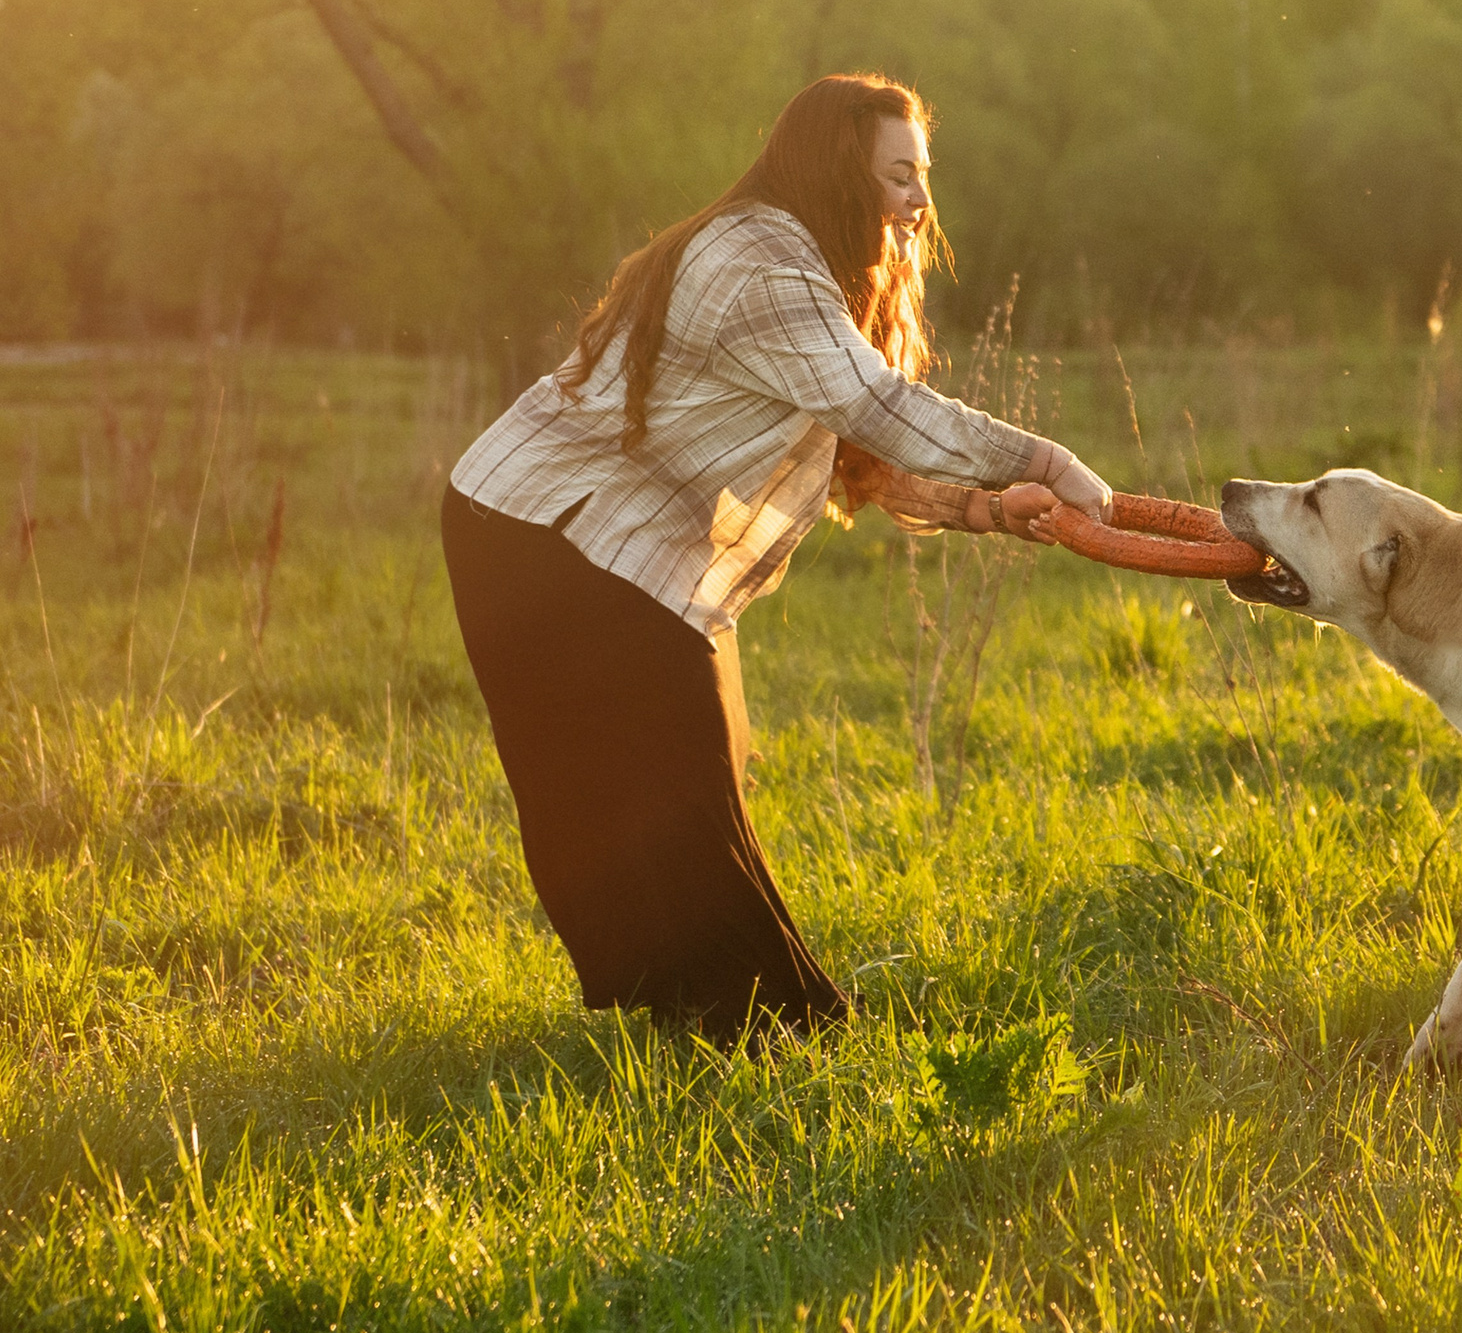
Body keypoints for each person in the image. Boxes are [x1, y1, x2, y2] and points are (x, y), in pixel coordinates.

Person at [442, 73, 1106, 1040]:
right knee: (673, 777)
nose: (921, 199)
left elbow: (855, 456)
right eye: (899, 175)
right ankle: (774, 1032)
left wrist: (989, 508)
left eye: (923, 175)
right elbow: (880, 409)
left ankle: (724, 1015)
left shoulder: (806, 265)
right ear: (840, 171)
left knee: (702, 764)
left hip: (589, 537)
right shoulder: (759, 261)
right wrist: (1048, 460)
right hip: (544, 530)